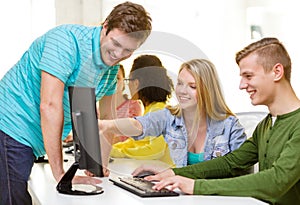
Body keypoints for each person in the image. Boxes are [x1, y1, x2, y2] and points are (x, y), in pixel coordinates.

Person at [0, 2, 152, 205]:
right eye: (115, 44)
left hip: (30, 141)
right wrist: (59, 172)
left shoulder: (110, 71)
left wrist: (99, 165)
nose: (118, 55)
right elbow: (50, 105)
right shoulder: (66, 41)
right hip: (10, 125)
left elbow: (106, 120)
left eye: (127, 50)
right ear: (105, 26)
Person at [133, 38, 300, 205]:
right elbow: (230, 162)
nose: (242, 85)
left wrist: (196, 186)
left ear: (277, 72)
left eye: (248, 76)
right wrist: (172, 173)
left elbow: (276, 181)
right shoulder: (266, 124)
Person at [100, 58, 247, 168]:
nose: (182, 91)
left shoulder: (231, 128)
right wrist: (104, 125)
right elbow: (138, 124)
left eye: (192, 86)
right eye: (180, 83)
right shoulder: (169, 116)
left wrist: (179, 177)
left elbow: (240, 173)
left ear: (208, 90)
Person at [110, 54, 175, 165]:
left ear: (136, 83)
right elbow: (137, 142)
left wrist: (118, 152)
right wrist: (111, 149)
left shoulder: (158, 112)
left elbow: (155, 151)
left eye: (128, 80)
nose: (128, 85)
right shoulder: (152, 109)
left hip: (163, 176)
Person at [111, 64, 144, 143]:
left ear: (123, 81)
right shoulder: (98, 110)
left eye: (117, 78)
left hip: (122, 153)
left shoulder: (133, 106)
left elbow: (131, 135)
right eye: (110, 78)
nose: (113, 82)